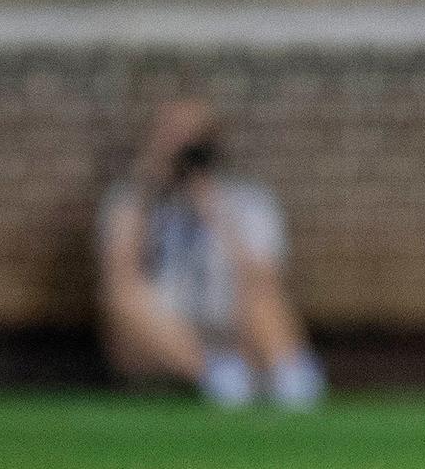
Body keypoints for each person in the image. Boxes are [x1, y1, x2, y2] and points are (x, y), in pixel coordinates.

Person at [96, 98, 326, 410]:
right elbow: (119, 271)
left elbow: (264, 277)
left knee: (264, 295)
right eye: (172, 134)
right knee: (124, 294)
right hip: (163, 330)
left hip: (231, 320)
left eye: (193, 136)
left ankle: (291, 378)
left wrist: (215, 212)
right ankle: (218, 377)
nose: (182, 146)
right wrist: (148, 187)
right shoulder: (130, 201)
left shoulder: (248, 201)